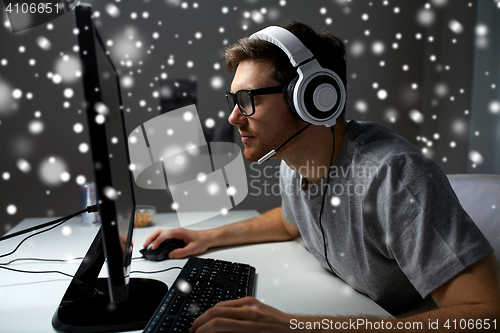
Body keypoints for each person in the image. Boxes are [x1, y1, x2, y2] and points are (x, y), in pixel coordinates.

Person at [144, 22, 500, 332]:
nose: (235, 117)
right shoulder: (293, 161)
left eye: (248, 99)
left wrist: (300, 325)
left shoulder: (393, 176)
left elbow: (484, 316)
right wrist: (205, 238)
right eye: (233, 100)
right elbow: (288, 223)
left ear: (313, 98)